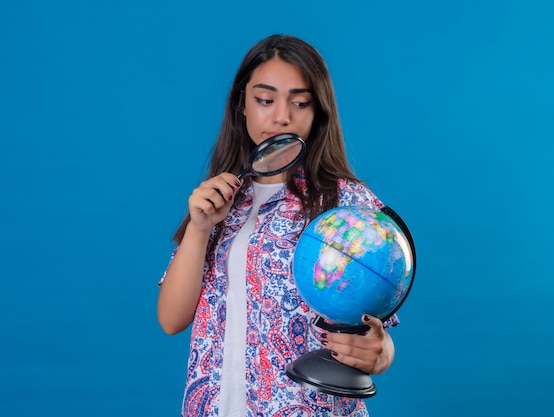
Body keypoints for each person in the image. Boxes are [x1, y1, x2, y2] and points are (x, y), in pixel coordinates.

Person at [157, 34, 400, 417]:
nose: (281, 116)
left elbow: (378, 327)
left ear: (318, 111)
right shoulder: (219, 200)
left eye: (299, 102)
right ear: (242, 104)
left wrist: (381, 353)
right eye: (265, 100)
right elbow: (171, 320)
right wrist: (200, 228)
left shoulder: (346, 205)